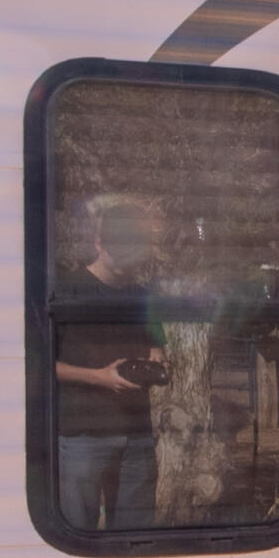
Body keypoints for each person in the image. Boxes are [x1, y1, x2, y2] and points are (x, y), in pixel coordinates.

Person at [53, 195, 168, 530]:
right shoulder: (67, 290)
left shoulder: (142, 295)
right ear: (99, 242)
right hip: (83, 435)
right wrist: (97, 377)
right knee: (78, 535)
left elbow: (156, 347)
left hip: (136, 435)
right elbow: (40, 365)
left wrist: (156, 358)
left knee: (134, 537)